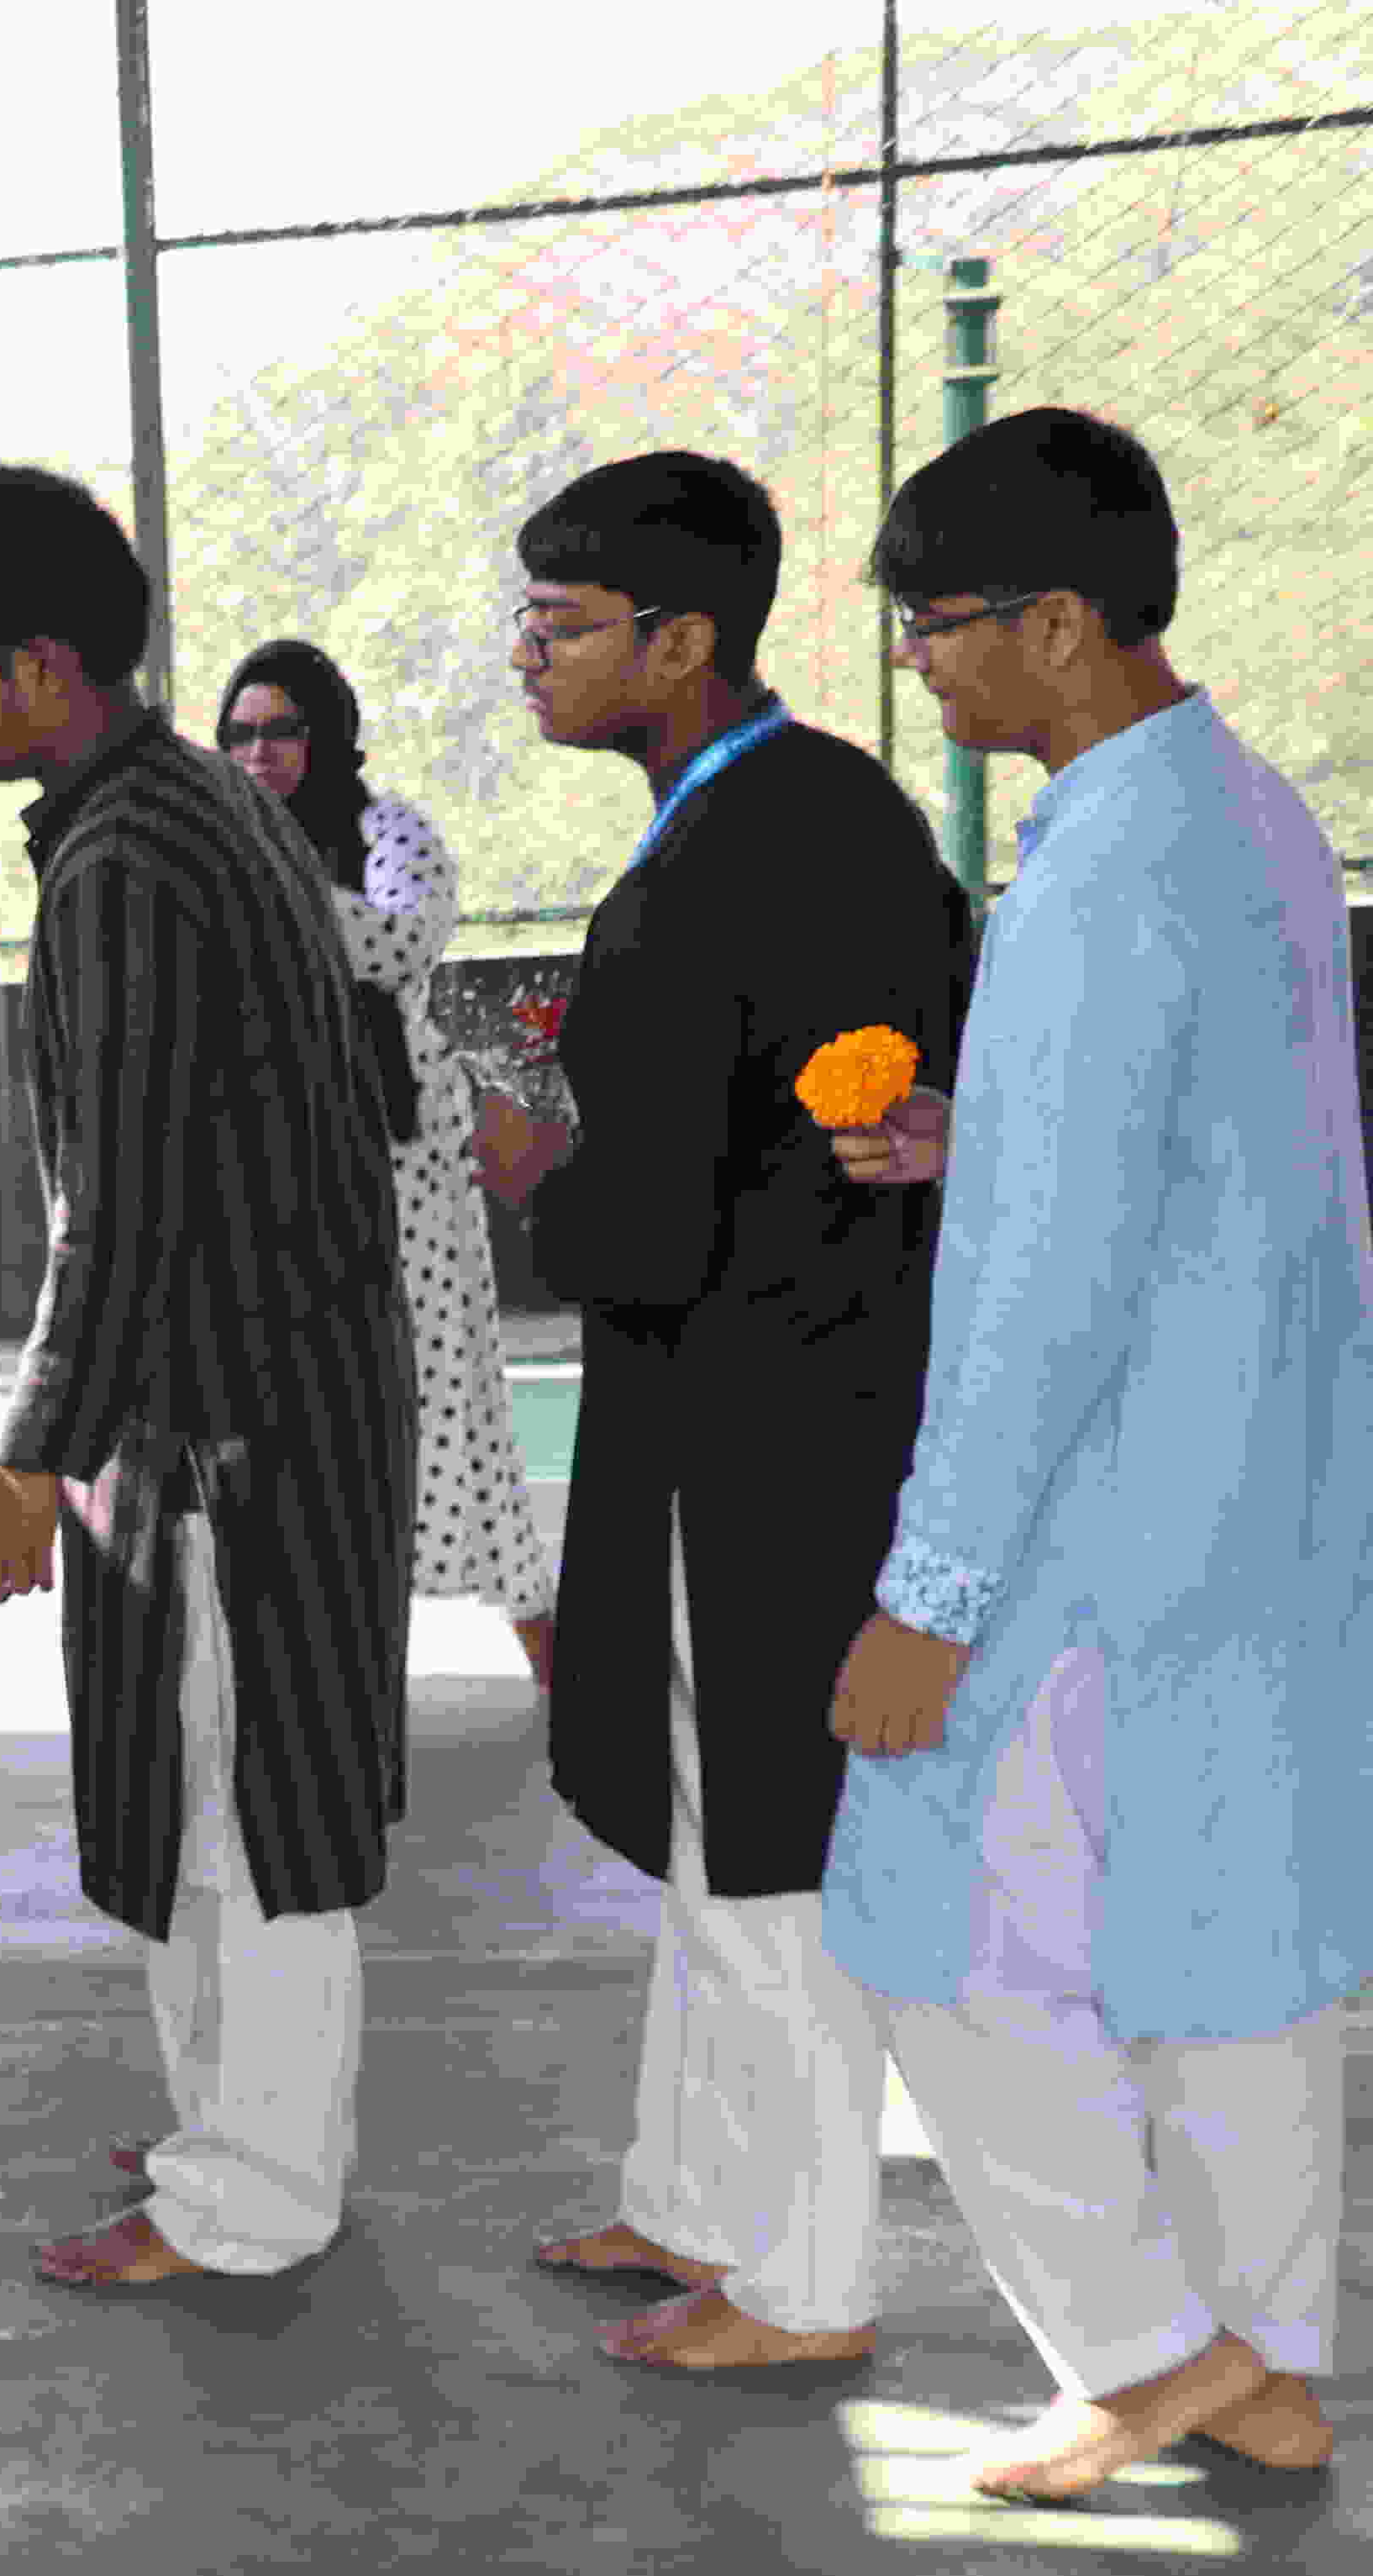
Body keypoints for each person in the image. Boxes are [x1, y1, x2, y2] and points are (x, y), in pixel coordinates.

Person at [817, 409, 1358, 2504]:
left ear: (1057, 624)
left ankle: (1143, 2350)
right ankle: (1274, 2363)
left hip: (1104, 1516)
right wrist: (984, 1139)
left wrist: (931, 1595)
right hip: (1269, 1500)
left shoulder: (1094, 873)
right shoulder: (1254, 813)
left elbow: (1048, 1292)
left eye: (936, 624)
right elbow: (1217, 1157)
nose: (919, 666)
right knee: (1236, 1941)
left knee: (923, 1919)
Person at [0, 469, 414, 2296]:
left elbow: (121, 1205)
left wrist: (35, 1456)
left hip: (234, 1431)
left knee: (248, 1815)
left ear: (45, 665)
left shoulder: (124, 860)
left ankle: (253, 2191)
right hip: (259, 1399)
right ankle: (233, 2129)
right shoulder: (185, 805)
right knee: (213, 1797)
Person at [488, 452, 977, 2384]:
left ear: (681, 638)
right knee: (717, 1829)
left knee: (774, 1847)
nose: (528, 655)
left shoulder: (765, 839)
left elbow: (667, 1205)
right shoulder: (784, 815)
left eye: (562, 624)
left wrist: (535, 1165)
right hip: (743, 1397)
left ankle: (803, 2275)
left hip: (778, 1425)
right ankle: (694, 2199)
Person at [213, 640, 560, 1688]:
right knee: (296, 1405)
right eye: (240, 734)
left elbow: (401, 946)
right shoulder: (219, 851)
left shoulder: (388, 832)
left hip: (397, 1150)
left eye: (284, 730)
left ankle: (551, 1648)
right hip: (270, 1159)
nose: (261, 753)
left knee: (438, 1383)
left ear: (328, 735)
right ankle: (321, 1660)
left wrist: (269, 879)